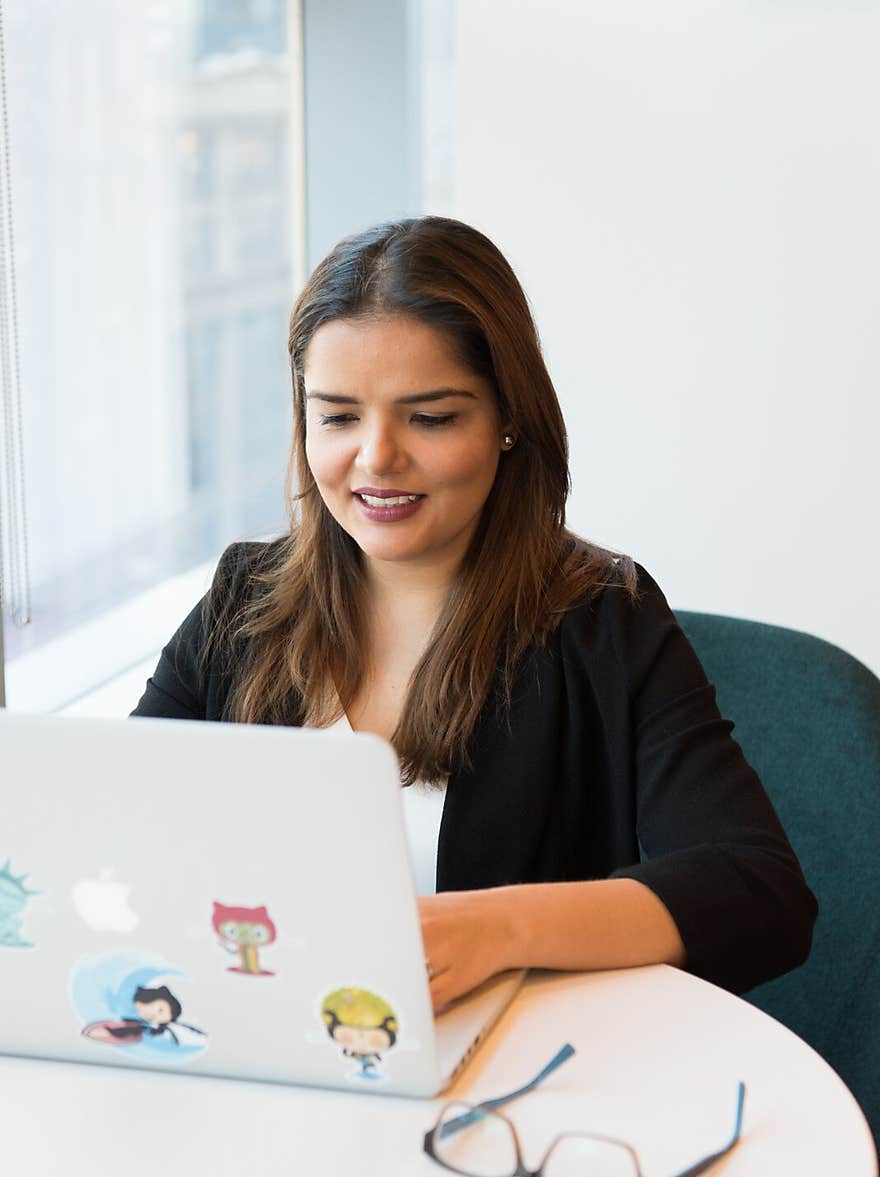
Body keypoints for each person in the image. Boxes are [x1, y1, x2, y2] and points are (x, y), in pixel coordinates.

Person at [132, 215, 817, 1013]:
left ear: (508, 421)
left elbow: (758, 891)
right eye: (339, 416)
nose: (377, 457)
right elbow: (119, 831)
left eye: (431, 417)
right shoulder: (242, 604)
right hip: (271, 1051)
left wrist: (493, 930)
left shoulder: (603, 621)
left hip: (513, 1081)